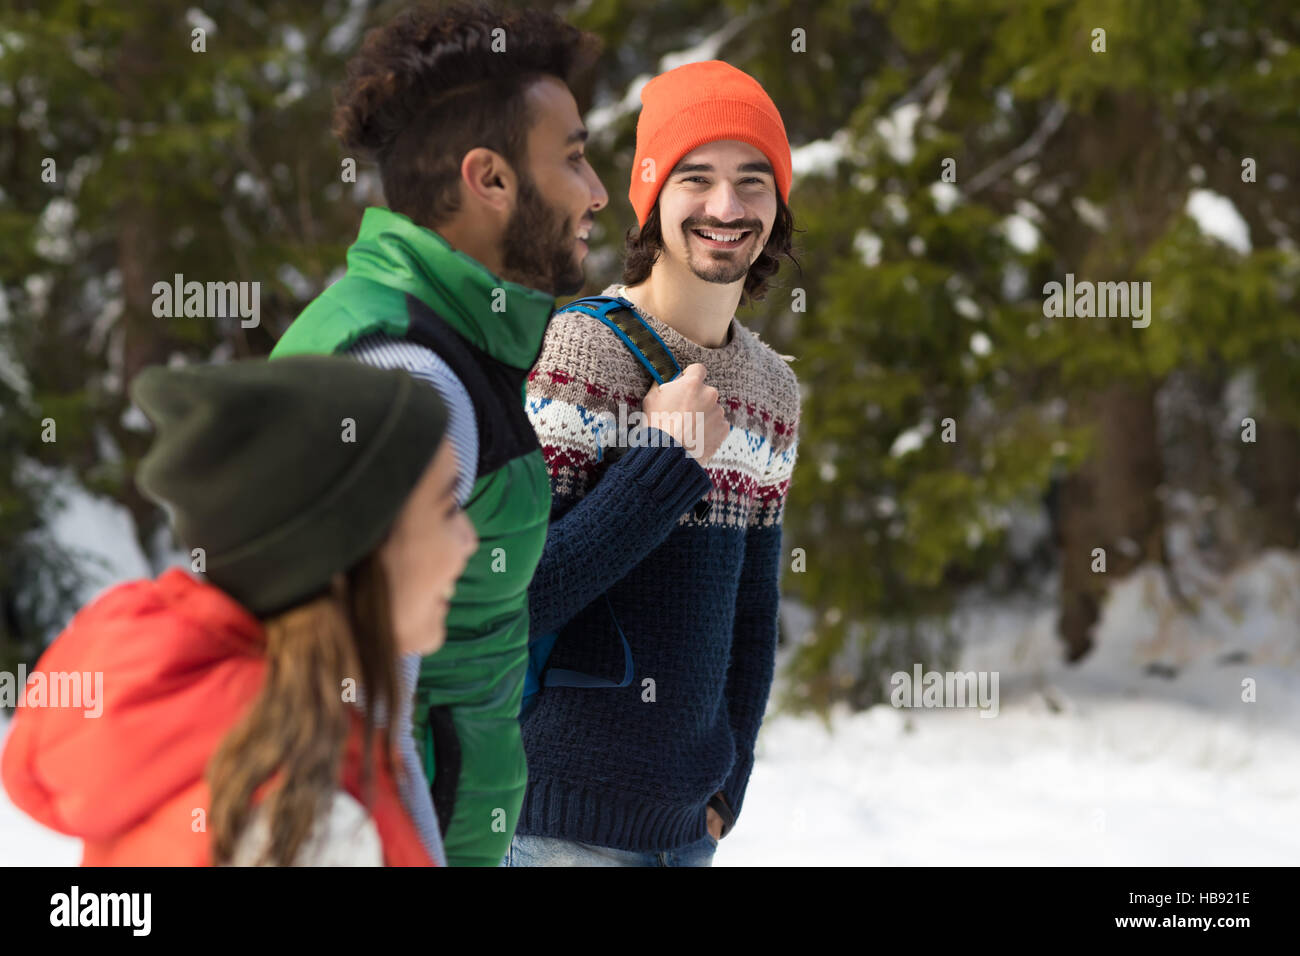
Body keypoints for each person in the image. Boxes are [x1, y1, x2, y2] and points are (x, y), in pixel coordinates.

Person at [268, 2, 612, 866]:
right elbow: (345, 721)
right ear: (489, 179)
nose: (600, 191)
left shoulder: (443, 342)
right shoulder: (408, 378)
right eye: (573, 158)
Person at [1, 356, 477, 866]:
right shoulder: (308, 833)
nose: (468, 542)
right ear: (349, 555)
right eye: (446, 509)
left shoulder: (231, 753)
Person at [514, 60, 802, 866]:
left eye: (753, 180)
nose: (725, 207)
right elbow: (516, 595)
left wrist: (728, 786)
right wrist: (661, 462)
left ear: (777, 206)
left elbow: (753, 609)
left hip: (686, 837)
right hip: (558, 828)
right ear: (651, 197)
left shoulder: (772, 393)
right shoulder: (586, 350)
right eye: (695, 177)